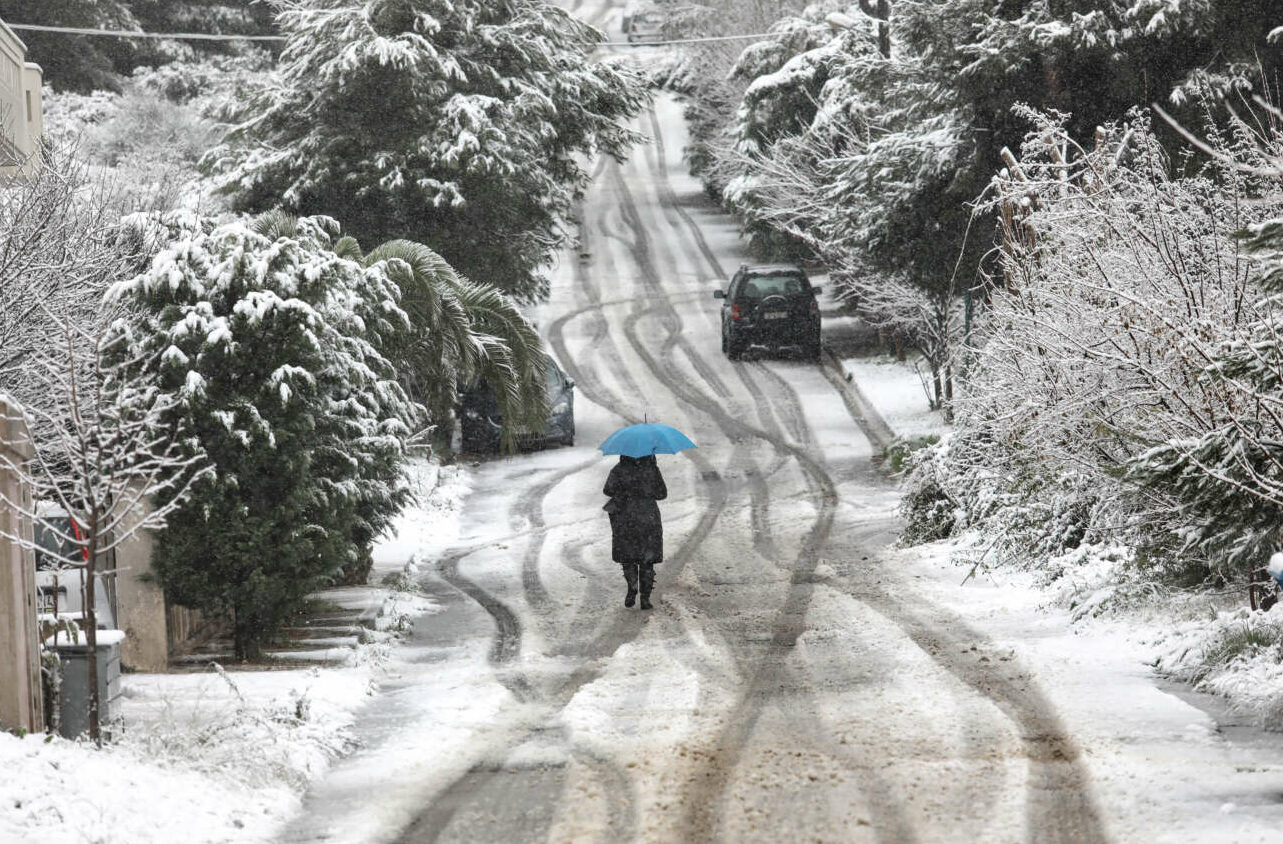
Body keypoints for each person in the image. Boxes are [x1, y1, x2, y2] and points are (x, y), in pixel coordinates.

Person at [603, 453, 667, 609]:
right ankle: (645, 598)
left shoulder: (619, 469)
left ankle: (632, 586)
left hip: (626, 519)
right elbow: (662, 494)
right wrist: (646, 491)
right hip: (648, 518)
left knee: (628, 556)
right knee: (647, 559)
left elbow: (607, 490)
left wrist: (624, 491)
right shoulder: (652, 469)